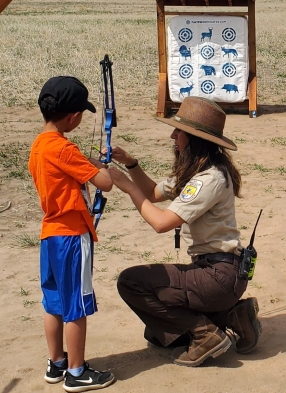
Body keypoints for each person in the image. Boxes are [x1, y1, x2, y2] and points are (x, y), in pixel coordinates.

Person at [108, 96, 261, 367]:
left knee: (131, 282)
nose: (173, 136)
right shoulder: (201, 170)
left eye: (179, 131)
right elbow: (154, 194)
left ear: (194, 138)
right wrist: (132, 165)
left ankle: (205, 334)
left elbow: (161, 223)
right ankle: (232, 317)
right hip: (221, 274)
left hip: (217, 276)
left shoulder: (207, 179)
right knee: (157, 332)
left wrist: (128, 187)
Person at [28, 76, 115, 391]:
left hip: (50, 235)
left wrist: (87, 162)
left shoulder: (39, 145)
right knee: (76, 305)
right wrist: (99, 165)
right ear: (72, 117)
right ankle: (77, 373)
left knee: (53, 301)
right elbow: (105, 183)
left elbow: (68, 173)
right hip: (71, 237)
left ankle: (57, 363)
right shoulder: (65, 149)